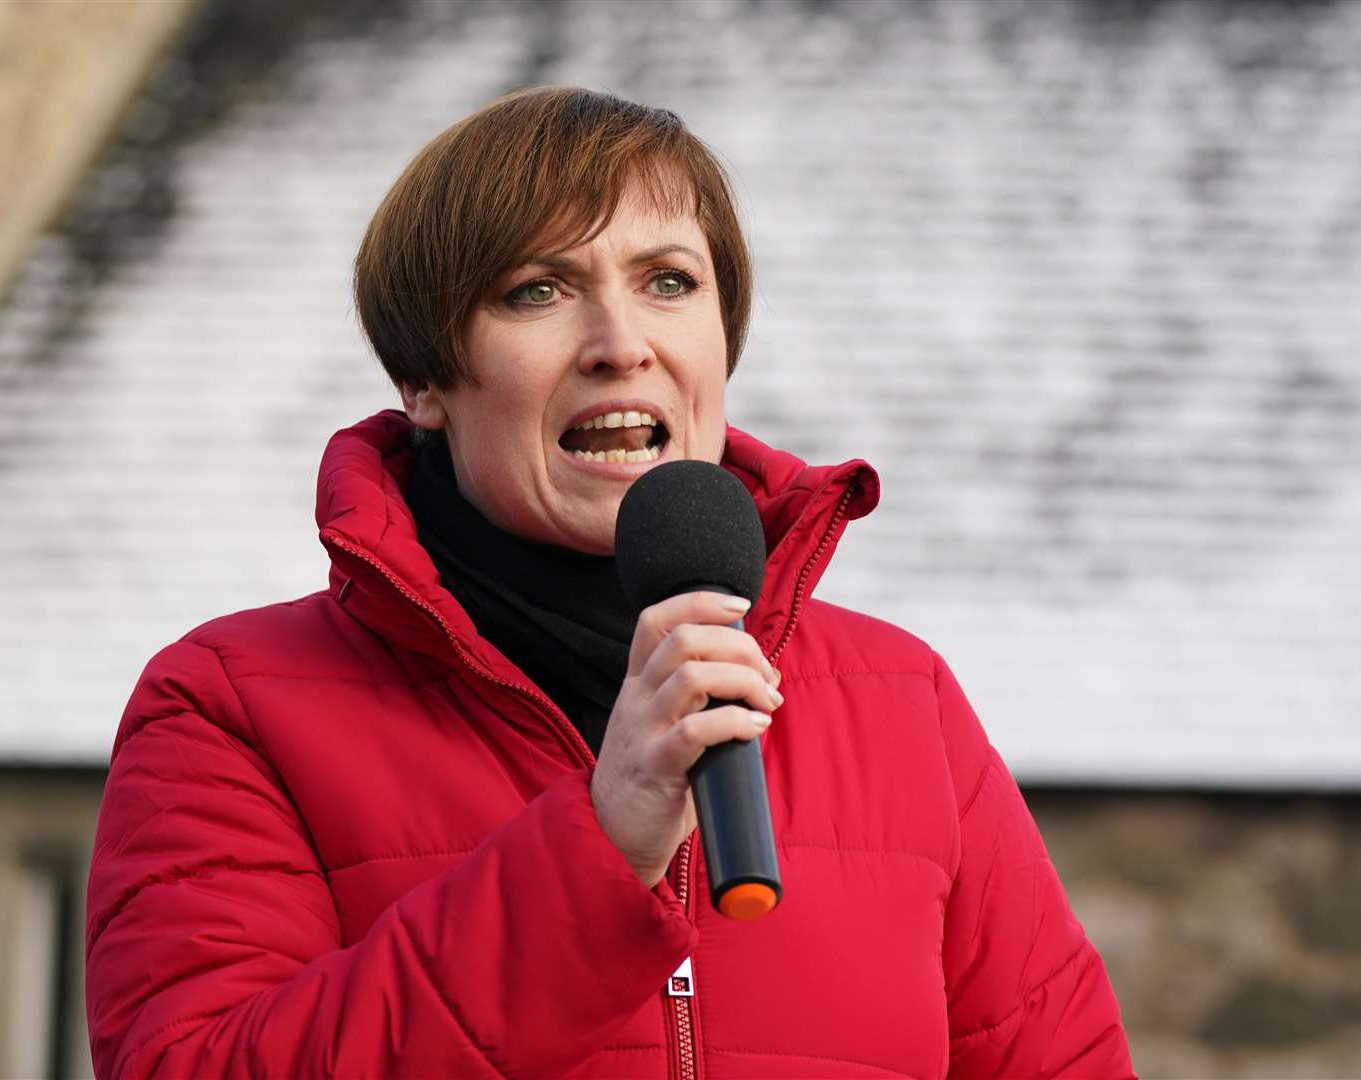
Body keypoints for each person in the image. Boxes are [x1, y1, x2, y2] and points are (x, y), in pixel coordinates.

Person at [85, 87, 1134, 1079]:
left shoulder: (906, 704)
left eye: (669, 281)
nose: (621, 345)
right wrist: (598, 842)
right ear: (425, 381)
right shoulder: (229, 706)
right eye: (536, 291)